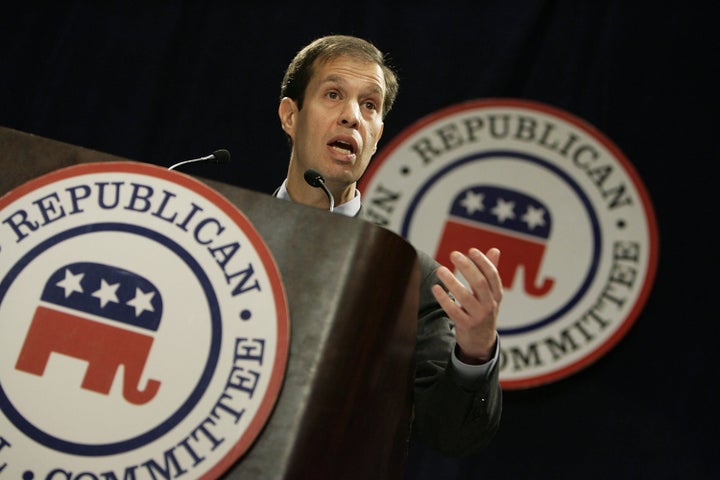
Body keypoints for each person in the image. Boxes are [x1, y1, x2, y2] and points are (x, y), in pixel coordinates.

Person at [274, 34, 502, 457]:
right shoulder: (228, 231)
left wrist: (474, 352)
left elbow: (450, 434)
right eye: (333, 94)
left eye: (370, 105)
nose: (351, 117)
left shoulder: (410, 277)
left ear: (377, 134)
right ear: (291, 116)